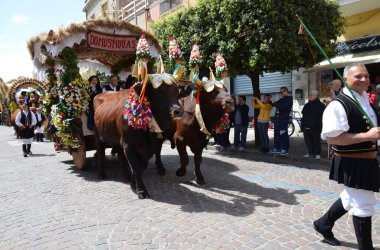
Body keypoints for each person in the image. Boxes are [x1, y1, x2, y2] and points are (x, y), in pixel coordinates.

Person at [313, 64, 380, 249]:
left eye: (366, 76)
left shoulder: (365, 99)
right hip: (352, 162)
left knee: (351, 197)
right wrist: (368, 136)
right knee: (363, 205)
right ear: (345, 79)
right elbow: (334, 139)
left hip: (369, 160)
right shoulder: (338, 105)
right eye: (358, 76)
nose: (364, 80)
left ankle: (322, 224)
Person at [301, 90, 325, 159]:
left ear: (316, 96)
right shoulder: (307, 104)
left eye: (312, 94)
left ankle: (317, 154)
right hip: (306, 126)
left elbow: (323, 116)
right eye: (310, 94)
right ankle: (310, 153)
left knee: (316, 141)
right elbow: (303, 114)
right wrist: (303, 125)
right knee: (308, 141)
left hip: (315, 127)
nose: (310, 96)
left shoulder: (321, 105)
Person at [271, 87, 293, 155]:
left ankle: (285, 149)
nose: (281, 93)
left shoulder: (289, 99)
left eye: (282, 92)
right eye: (280, 92)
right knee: (277, 134)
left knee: (283, 133)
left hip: (283, 119)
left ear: (286, 91)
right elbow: (274, 104)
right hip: (277, 119)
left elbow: (283, 107)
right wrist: (271, 100)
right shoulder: (281, 99)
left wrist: (275, 103)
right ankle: (277, 148)